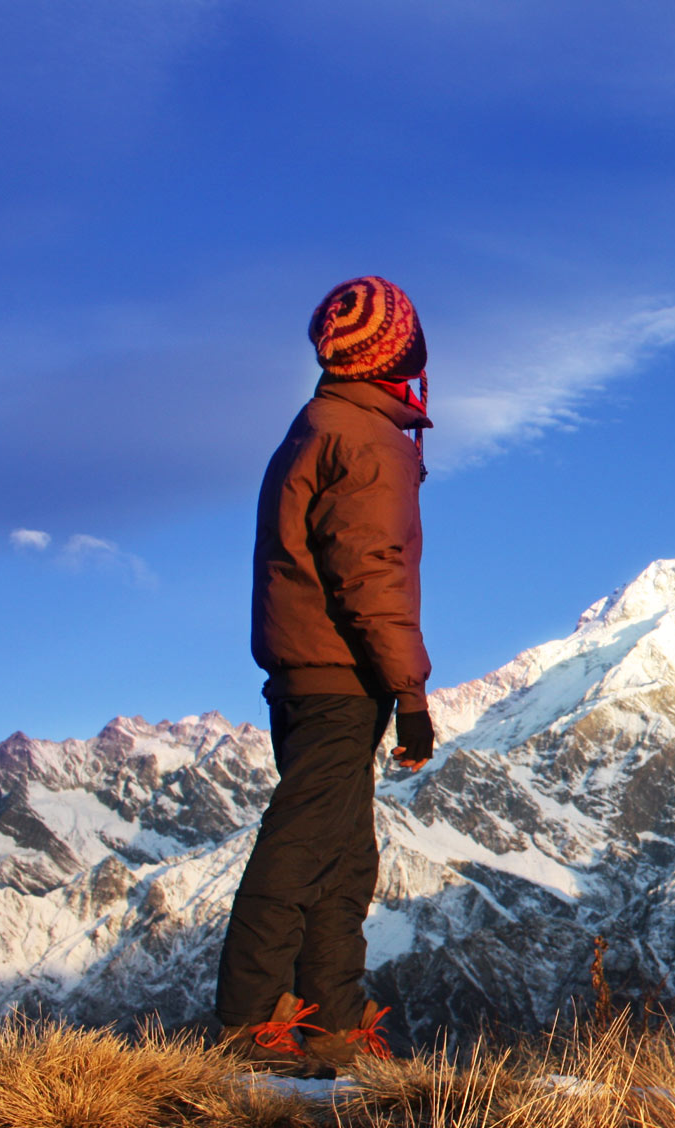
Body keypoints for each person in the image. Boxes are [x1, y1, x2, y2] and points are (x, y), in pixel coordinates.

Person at [215, 275, 437, 1075]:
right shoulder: (367, 442)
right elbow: (369, 573)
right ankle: (250, 1023)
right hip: (340, 672)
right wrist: (409, 696)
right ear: (398, 353)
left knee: (345, 851)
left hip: (311, 668)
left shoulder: (320, 425)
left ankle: (330, 1022)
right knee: (308, 843)